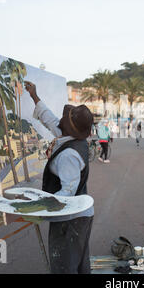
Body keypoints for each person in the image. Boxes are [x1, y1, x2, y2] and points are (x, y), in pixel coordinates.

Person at [24, 81, 94, 274]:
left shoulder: (69, 155)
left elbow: (67, 193)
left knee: (65, 265)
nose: (60, 120)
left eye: (64, 119)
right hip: (77, 214)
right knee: (78, 263)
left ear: (68, 127)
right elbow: (49, 119)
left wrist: (39, 207)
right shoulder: (70, 137)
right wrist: (34, 95)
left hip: (72, 219)